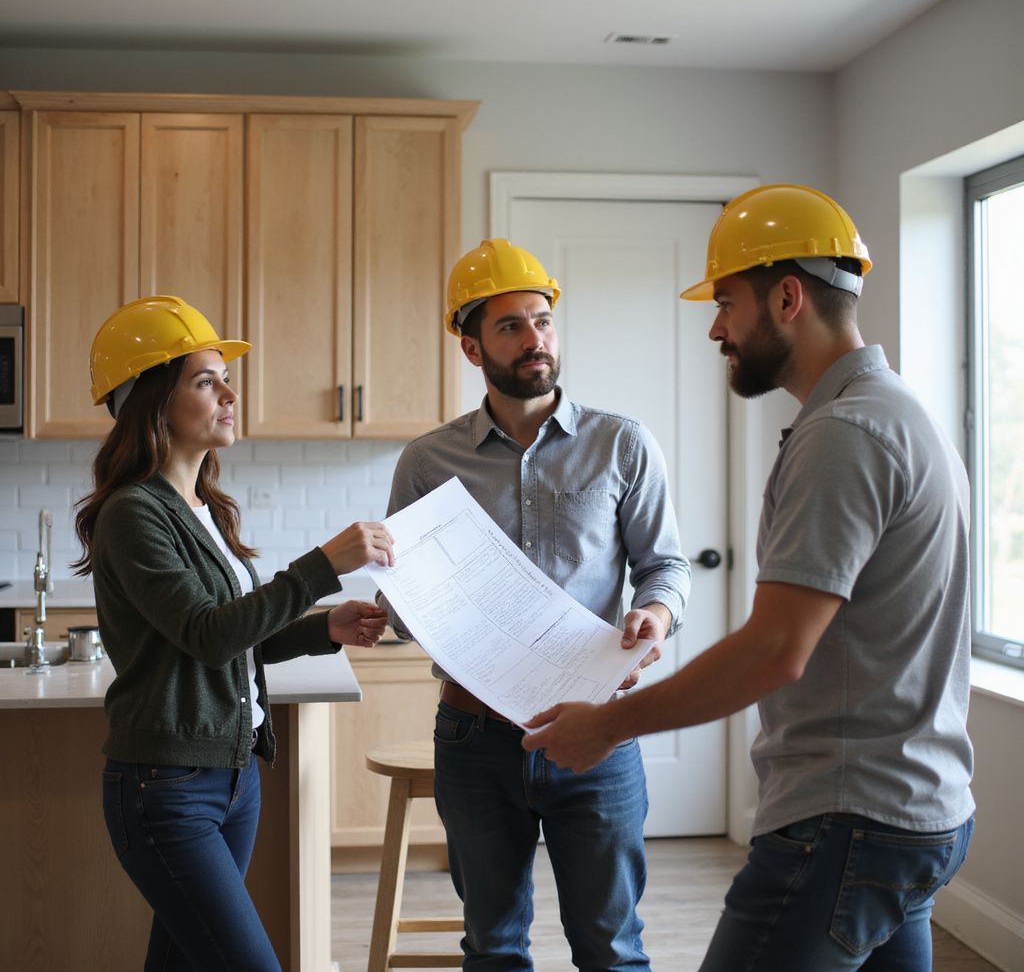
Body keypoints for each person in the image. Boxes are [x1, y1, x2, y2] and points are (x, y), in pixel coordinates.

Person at [523, 185, 975, 972]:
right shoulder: (901, 412)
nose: (716, 327)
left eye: (727, 302)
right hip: (922, 811)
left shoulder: (843, 434)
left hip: (847, 819)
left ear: (789, 297)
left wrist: (607, 724)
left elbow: (776, 650)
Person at [377, 238, 690, 971]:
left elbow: (665, 565)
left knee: (612, 948)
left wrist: (657, 615)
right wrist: (396, 604)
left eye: (543, 320)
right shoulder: (427, 462)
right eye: (511, 327)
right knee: (493, 947)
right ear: (471, 346)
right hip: (474, 739)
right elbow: (405, 599)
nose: (534, 340)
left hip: (597, 731)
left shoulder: (623, 445)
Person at [73, 295, 396, 972]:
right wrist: (322, 567)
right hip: (165, 789)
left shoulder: (202, 508)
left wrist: (320, 629)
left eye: (224, 376)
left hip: (233, 775)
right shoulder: (133, 513)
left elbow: (223, 644)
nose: (229, 392)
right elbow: (206, 634)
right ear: (152, 400)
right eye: (204, 380)